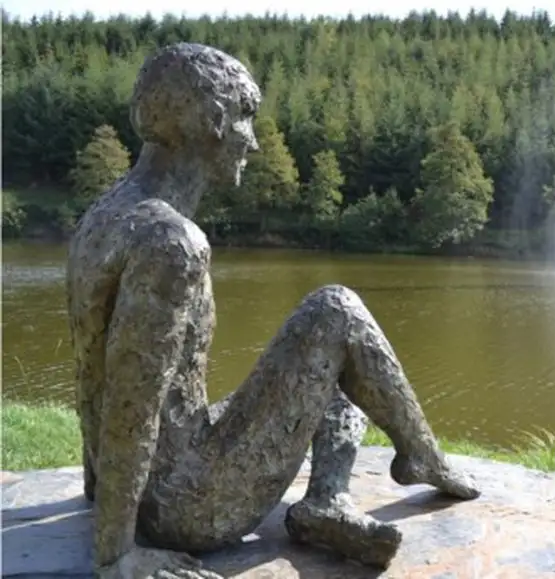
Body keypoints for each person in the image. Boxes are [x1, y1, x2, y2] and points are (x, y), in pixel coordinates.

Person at [65, 42, 480, 579]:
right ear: (209, 121)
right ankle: (421, 456)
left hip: (144, 483)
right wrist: (117, 553)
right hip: (183, 506)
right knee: (337, 310)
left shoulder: (106, 213)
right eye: (245, 117)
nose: (254, 141)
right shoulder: (170, 243)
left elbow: (91, 367)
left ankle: (326, 501)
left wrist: (96, 483)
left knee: (323, 368)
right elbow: (131, 401)